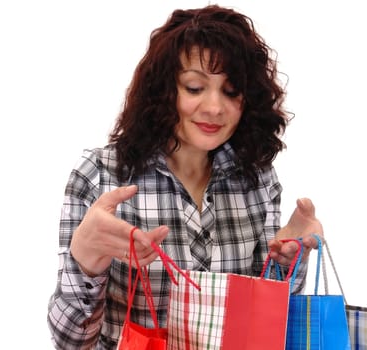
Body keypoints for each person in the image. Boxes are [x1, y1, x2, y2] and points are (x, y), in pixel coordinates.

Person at [47, 4, 323, 349]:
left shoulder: (257, 180)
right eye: (194, 88)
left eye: (231, 91)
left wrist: (288, 259)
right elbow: (69, 341)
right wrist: (85, 262)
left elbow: (264, 327)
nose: (214, 108)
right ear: (164, 91)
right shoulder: (101, 175)